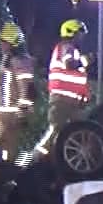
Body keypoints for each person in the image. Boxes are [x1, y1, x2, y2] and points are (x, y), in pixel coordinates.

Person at [28, 19, 90, 164]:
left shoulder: (72, 50)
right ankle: (32, 160)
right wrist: (85, 60)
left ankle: (63, 163)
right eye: (80, 34)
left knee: (76, 135)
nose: (82, 37)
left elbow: (77, 79)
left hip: (72, 102)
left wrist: (83, 97)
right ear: (72, 33)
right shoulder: (66, 47)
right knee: (55, 133)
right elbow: (69, 65)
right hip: (62, 100)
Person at [0, 22, 35, 163]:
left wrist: (22, 113)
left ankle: (5, 175)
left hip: (10, 114)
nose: (1, 45)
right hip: (0, 113)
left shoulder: (21, 62)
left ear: (11, 43)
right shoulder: (6, 60)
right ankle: (1, 174)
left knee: (7, 148)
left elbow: (26, 90)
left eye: (3, 42)